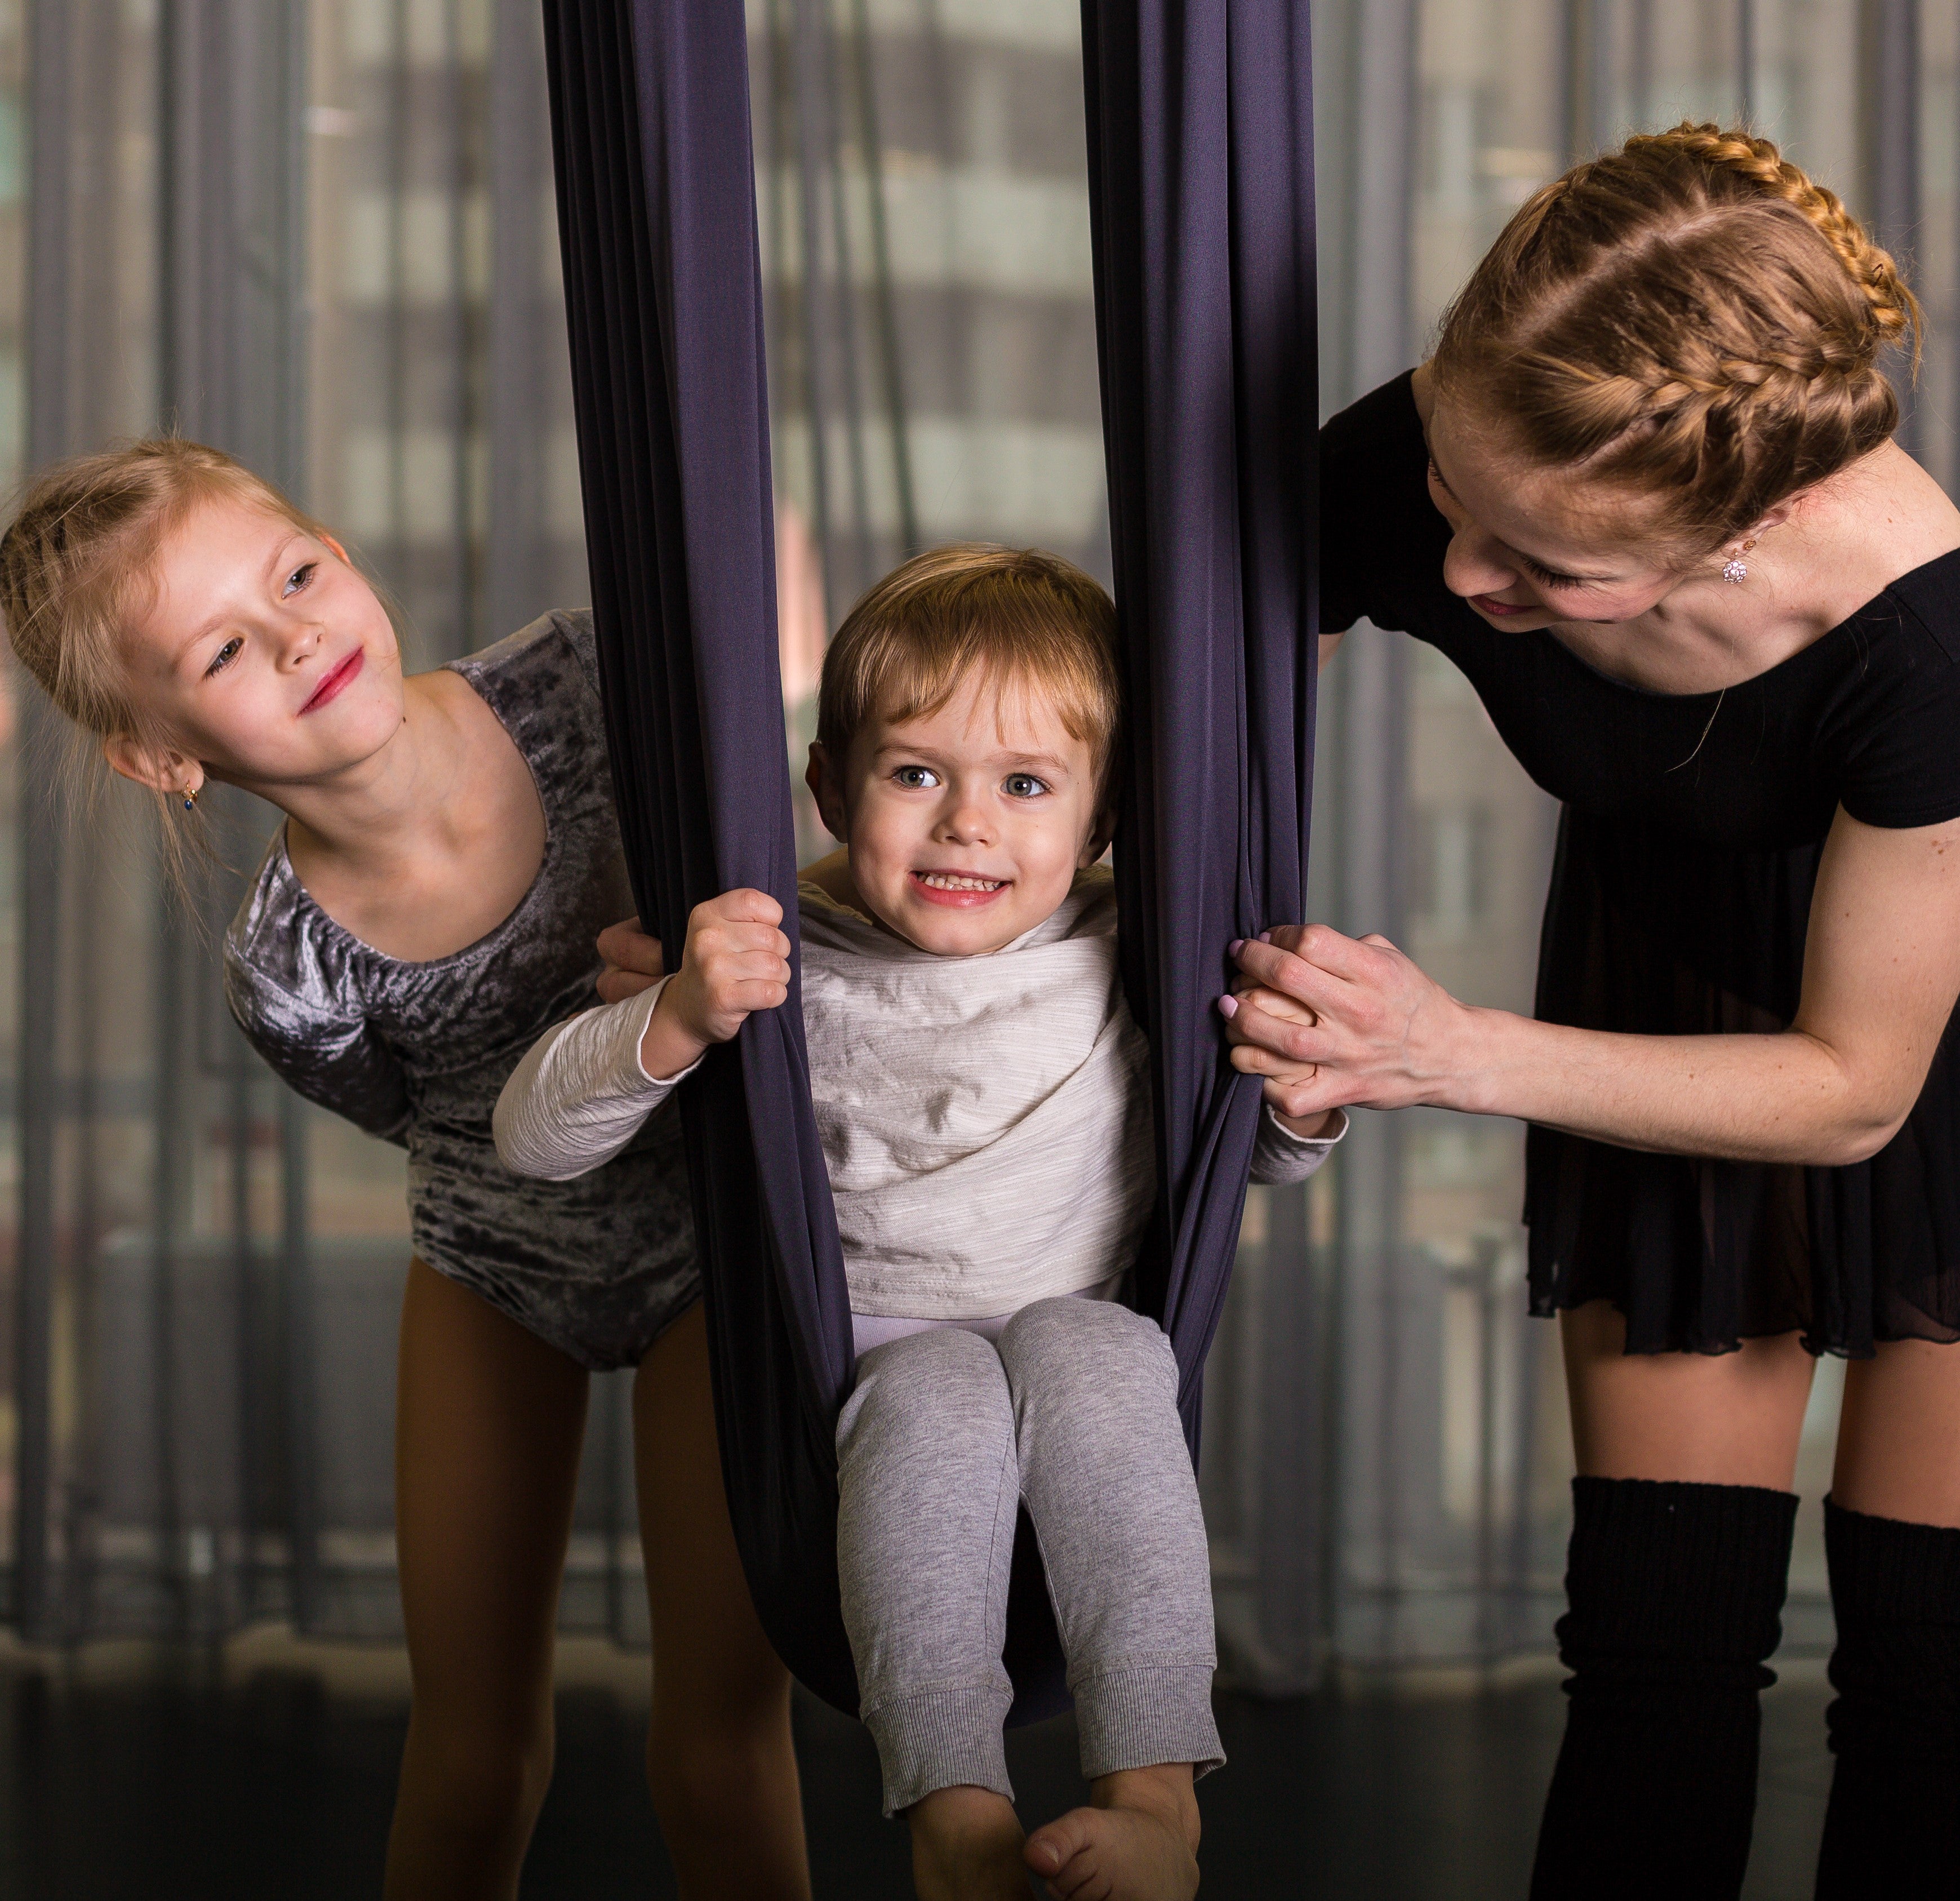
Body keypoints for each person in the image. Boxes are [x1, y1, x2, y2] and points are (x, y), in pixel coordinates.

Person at [1221, 123, 1960, 1899]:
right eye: (1455, 503)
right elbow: (1176, 742)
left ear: (1749, 524)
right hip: (1662, 981)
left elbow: (1860, 1084)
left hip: (1919, 1029)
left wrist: (1446, 1051)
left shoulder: (1926, 648)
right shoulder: (1467, 448)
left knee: (1933, 1699)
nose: (1463, 571)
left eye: (1540, 566)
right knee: (1657, 1659)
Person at [0, 441, 812, 1901]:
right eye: (227, 647)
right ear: (164, 752)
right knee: (474, 1756)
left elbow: (784, 889)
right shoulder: (286, 964)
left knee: (719, 1747)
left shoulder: (585, 676)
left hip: (711, 1249)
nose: (300, 632)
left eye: (298, 574)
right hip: (497, 1271)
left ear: (344, 551)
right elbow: (406, 1114)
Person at [494, 545, 1345, 1901]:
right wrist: (673, 1020)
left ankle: (1157, 1796)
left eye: (1025, 784)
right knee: (939, 1390)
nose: (967, 825)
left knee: (1104, 1353)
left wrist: (1299, 1101)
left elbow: (1256, 1167)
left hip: (1076, 1343)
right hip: (859, 1364)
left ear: (1106, 811)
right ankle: (953, 1809)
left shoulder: (1144, 941)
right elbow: (530, 1142)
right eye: (915, 774)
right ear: (829, 787)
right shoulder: (775, 952)